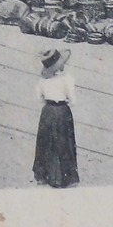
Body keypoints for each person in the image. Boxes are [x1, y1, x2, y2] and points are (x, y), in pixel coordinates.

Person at [32, 48, 79, 188]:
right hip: (63, 111)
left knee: (45, 142)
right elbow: (73, 101)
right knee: (65, 143)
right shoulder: (67, 79)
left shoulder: (42, 81)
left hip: (47, 112)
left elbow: (38, 98)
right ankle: (67, 177)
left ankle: (44, 175)